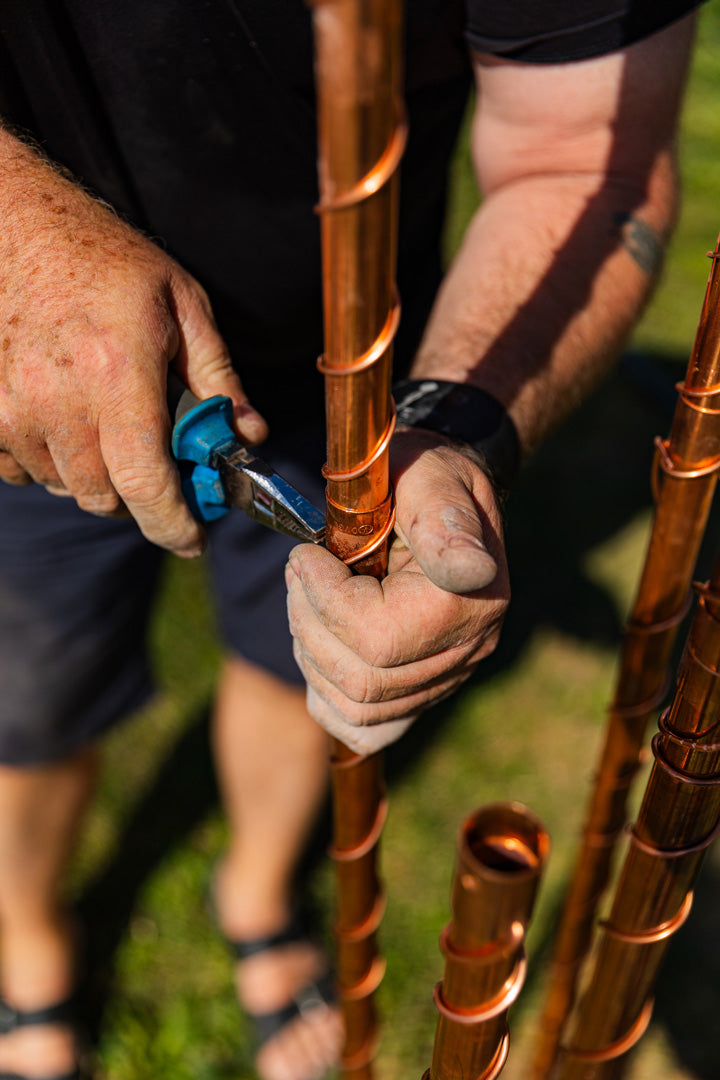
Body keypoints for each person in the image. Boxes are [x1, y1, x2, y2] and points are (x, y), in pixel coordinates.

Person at [0, 2, 701, 1079]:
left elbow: (585, 165)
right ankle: (30, 954)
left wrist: (455, 428)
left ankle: (258, 900)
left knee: (307, 653)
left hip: (358, 372)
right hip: (20, 362)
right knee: (29, 693)